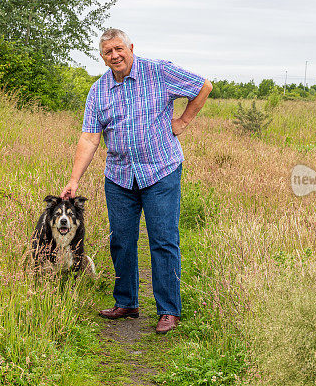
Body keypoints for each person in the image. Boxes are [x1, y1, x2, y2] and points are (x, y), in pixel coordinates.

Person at [60, 28, 212, 334]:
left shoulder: (158, 71)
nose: (115, 55)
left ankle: (168, 310)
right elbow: (90, 138)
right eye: (108, 52)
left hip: (160, 170)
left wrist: (183, 121)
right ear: (102, 58)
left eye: (119, 49)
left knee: (163, 240)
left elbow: (203, 86)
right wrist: (74, 180)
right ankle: (127, 302)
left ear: (131, 47)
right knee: (122, 240)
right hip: (119, 176)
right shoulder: (99, 91)